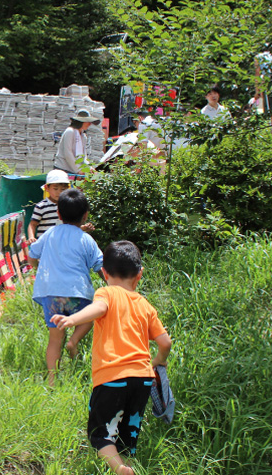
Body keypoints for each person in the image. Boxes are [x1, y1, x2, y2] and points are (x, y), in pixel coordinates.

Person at [52, 241, 172, 475]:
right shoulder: (146, 305)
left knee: (100, 433)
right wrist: (158, 361)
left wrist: (73, 319)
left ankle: (118, 469)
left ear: (104, 273)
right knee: (128, 432)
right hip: (142, 378)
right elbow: (165, 342)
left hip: (111, 377)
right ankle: (127, 463)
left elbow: (99, 308)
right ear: (140, 274)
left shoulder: (106, 293)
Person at [27, 188, 103, 386]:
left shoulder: (50, 233)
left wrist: (37, 268)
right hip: (78, 293)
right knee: (88, 319)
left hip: (51, 294)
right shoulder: (87, 239)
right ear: (85, 214)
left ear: (58, 213)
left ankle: (52, 380)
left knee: (54, 339)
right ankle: (74, 340)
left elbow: (32, 254)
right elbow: (99, 266)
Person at [27, 170, 70, 243]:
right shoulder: (41, 206)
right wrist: (31, 237)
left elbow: (71, 224)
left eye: (63, 189)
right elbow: (33, 224)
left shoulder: (67, 206)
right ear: (47, 188)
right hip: (44, 244)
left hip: (62, 244)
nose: (59, 192)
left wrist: (82, 228)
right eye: (55, 189)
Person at [54, 108, 99, 177]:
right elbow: (68, 153)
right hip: (63, 169)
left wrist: (89, 167)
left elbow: (83, 156)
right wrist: (78, 169)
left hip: (74, 170)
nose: (90, 124)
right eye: (87, 122)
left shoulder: (83, 136)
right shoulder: (70, 132)